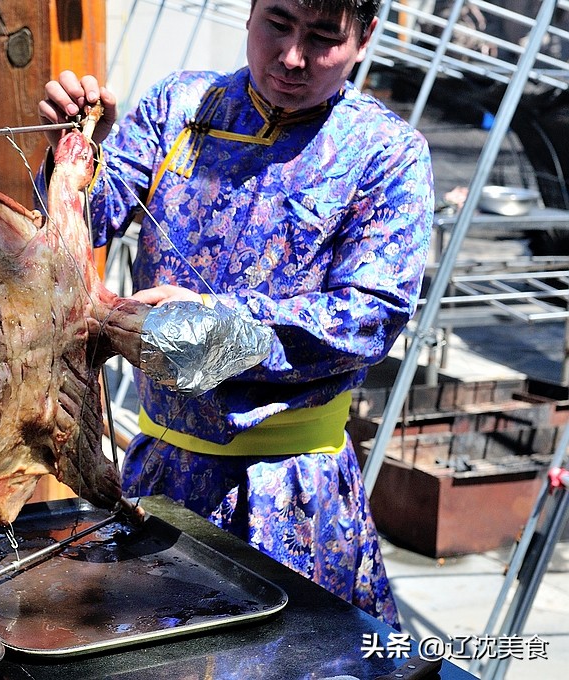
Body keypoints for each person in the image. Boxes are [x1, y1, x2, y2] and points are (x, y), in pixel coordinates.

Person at [37, 0, 434, 628]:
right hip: (157, 479)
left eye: (323, 37)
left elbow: (371, 314)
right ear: (250, 13)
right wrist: (79, 147)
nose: (293, 57)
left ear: (364, 39)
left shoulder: (386, 153)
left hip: (290, 494)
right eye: (278, 25)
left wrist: (216, 322)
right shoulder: (181, 108)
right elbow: (89, 217)